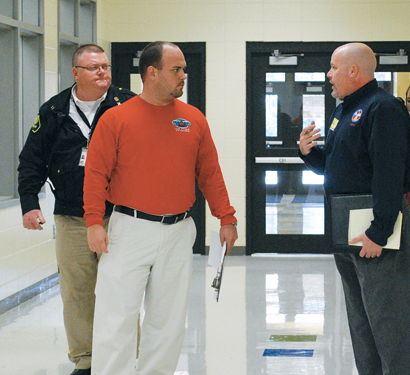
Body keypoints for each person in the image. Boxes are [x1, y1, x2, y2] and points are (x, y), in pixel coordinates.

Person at [84, 41, 238, 375]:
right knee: (117, 317)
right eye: (176, 69)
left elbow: (210, 172)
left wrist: (226, 217)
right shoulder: (116, 119)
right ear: (151, 72)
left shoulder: (193, 119)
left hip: (179, 230)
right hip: (128, 230)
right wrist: (94, 222)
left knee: (168, 320)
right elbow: (96, 173)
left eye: (184, 69)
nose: (184, 75)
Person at [17, 44, 136, 375]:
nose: (102, 72)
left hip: (119, 216)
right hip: (71, 217)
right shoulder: (54, 110)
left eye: (105, 66)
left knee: (122, 292)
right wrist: (29, 203)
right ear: (75, 73)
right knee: (77, 293)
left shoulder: (125, 104)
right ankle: (86, 361)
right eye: (94, 67)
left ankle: (126, 358)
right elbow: (32, 160)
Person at [299, 42, 410, 374]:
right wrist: (309, 154)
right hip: (344, 225)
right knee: (360, 317)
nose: (328, 74)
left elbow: (389, 173)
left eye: (333, 67)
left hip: (373, 228)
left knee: (387, 317)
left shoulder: (384, 108)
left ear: (354, 70)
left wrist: (380, 230)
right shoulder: (342, 109)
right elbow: (336, 166)